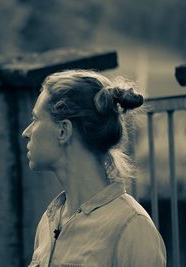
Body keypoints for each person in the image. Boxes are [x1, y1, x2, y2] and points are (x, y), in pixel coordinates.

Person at [22, 70, 166, 267]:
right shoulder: (49, 220)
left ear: (63, 130)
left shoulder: (131, 226)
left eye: (36, 119)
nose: (26, 132)